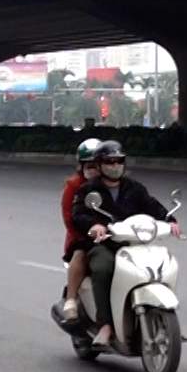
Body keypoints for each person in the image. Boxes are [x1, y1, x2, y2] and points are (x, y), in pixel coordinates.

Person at [76, 140, 178, 347]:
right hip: (104, 244)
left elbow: (152, 206)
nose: (115, 166)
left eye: (119, 161)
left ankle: (162, 318)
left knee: (160, 264)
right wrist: (95, 225)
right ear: (99, 164)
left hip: (134, 243)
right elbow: (78, 214)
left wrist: (170, 220)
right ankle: (105, 325)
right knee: (103, 268)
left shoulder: (134, 188)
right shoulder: (89, 190)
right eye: (109, 162)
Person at [58, 138, 104, 322]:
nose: (94, 169)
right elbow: (69, 218)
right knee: (81, 253)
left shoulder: (113, 183)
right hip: (81, 237)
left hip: (111, 235)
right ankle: (71, 299)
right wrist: (88, 235)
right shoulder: (74, 186)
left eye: (98, 164)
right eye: (89, 165)